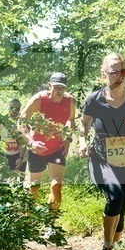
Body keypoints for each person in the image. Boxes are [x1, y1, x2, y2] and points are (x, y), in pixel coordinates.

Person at [79, 53, 125, 250]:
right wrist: (82, 142)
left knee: (121, 211)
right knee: (115, 196)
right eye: (113, 72)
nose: (119, 76)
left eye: (123, 71)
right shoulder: (94, 99)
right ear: (104, 73)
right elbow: (83, 124)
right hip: (101, 158)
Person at [21, 73, 76, 225]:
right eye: (56, 87)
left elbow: (71, 120)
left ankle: (50, 224)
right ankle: (27, 221)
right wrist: (31, 142)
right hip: (37, 149)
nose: (59, 91)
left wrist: (67, 139)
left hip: (57, 148)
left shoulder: (70, 101)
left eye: (62, 88)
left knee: (56, 185)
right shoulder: (39, 99)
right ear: (49, 86)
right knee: (34, 187)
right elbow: (21, 121)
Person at [0, 98, 25, 174]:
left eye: (17, 109)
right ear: (8, 108)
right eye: (12, 108)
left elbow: (24, 142)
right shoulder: (1, 121)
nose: (14, 111)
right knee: (5, 177)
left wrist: (21, 158)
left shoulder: (22, 122)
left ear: (19, 110)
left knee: (20, 176)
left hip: (18, 154)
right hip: (5, 154)